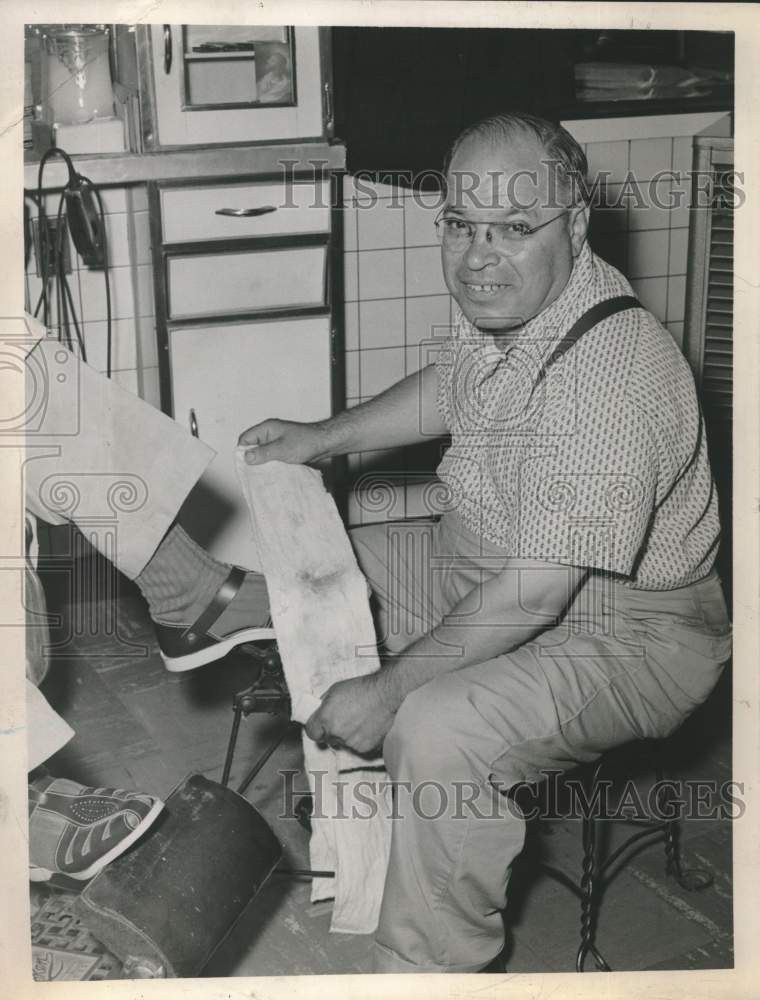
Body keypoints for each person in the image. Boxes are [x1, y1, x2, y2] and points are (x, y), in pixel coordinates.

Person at [236, 112, 733, 973]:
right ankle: (211, 625)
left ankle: (426, 968)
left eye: (511, 228)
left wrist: (389, 687)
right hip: (493, 553)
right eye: (461, 225)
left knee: (435, 726)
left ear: (575, 224)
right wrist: (324, 436)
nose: (477, 256)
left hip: (629, 629)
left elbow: (537, 598)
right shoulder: (515, 296)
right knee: (307, 573)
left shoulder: (616, 373)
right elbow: (455, 384)